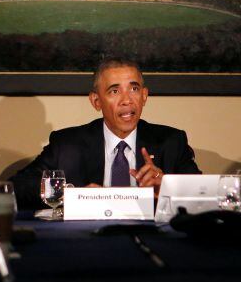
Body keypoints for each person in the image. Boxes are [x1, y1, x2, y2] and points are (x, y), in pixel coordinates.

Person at [12, 58, 200, 209]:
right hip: (87, 241)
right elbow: (17, 187)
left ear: (144, 96)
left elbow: (203, 193)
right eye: (115, 91)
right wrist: (74, 195)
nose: (127, 100)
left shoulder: (171, 142)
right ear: (96, 101)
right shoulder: (67, 144)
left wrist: (165, 185)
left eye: (134, 89)